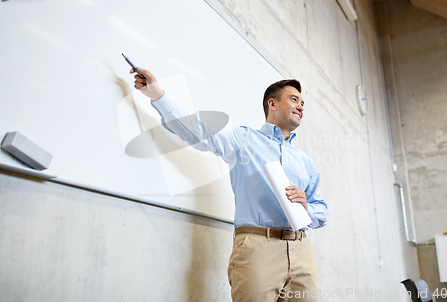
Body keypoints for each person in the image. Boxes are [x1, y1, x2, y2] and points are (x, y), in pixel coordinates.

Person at [131, 67, 328, 302]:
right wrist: (158, 95)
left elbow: (321, 210)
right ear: (272, 104)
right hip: (258, 247)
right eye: (294, 99)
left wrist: (307, 207)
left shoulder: (306, 162)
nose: (300, 106)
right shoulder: (243, 139)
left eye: (303, 103)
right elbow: (199, 131)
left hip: (301, 252)